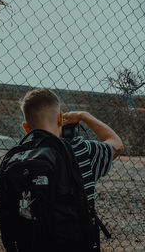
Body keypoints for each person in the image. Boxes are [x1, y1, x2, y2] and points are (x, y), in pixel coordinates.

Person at [20, 88, 124, 247]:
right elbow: (117, 144)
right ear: (61, 118)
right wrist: (84, 116)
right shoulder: (82, 150)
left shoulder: (21, 157)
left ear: (26, 128)